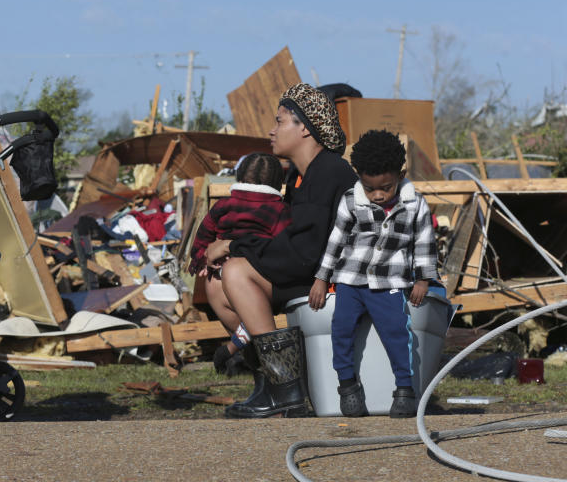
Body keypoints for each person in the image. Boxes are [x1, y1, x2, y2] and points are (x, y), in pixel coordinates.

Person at [204, 83, 357, 418]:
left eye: (280, 121)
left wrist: (233, 245)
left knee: (234, 271)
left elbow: (303, 252)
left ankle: (285, 390)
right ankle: (268, 381)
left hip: (330, 280)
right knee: (216, 283)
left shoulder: (329, 172)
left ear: (304, 127)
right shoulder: (301, 176)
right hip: (308, 271)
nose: (271, 131)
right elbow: (292, 245)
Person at [308, 129, 440, 418]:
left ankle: (404, 390)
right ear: (360, 179)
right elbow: (336, 241)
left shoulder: (414, 204)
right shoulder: (351, 201)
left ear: (400, 174)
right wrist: (322, 278)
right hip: (349, 280)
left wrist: (423, 278)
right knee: (341, 331)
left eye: (386, 187)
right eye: (370, 189)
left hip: (389, 281)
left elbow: (424, 243)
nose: (378, 195)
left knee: (398, 333)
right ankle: (347, 385)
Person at [186, 153, 291, 377]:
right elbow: (283, 247)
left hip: (226, 276)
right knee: (244, 305)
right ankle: (248, 347)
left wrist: (201, 260)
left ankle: (246, 348)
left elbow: (203, 235)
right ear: (276, 182)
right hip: (263, 276)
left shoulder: (223, 205)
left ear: (239, 177)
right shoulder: (279, 210)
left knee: (214, 285)